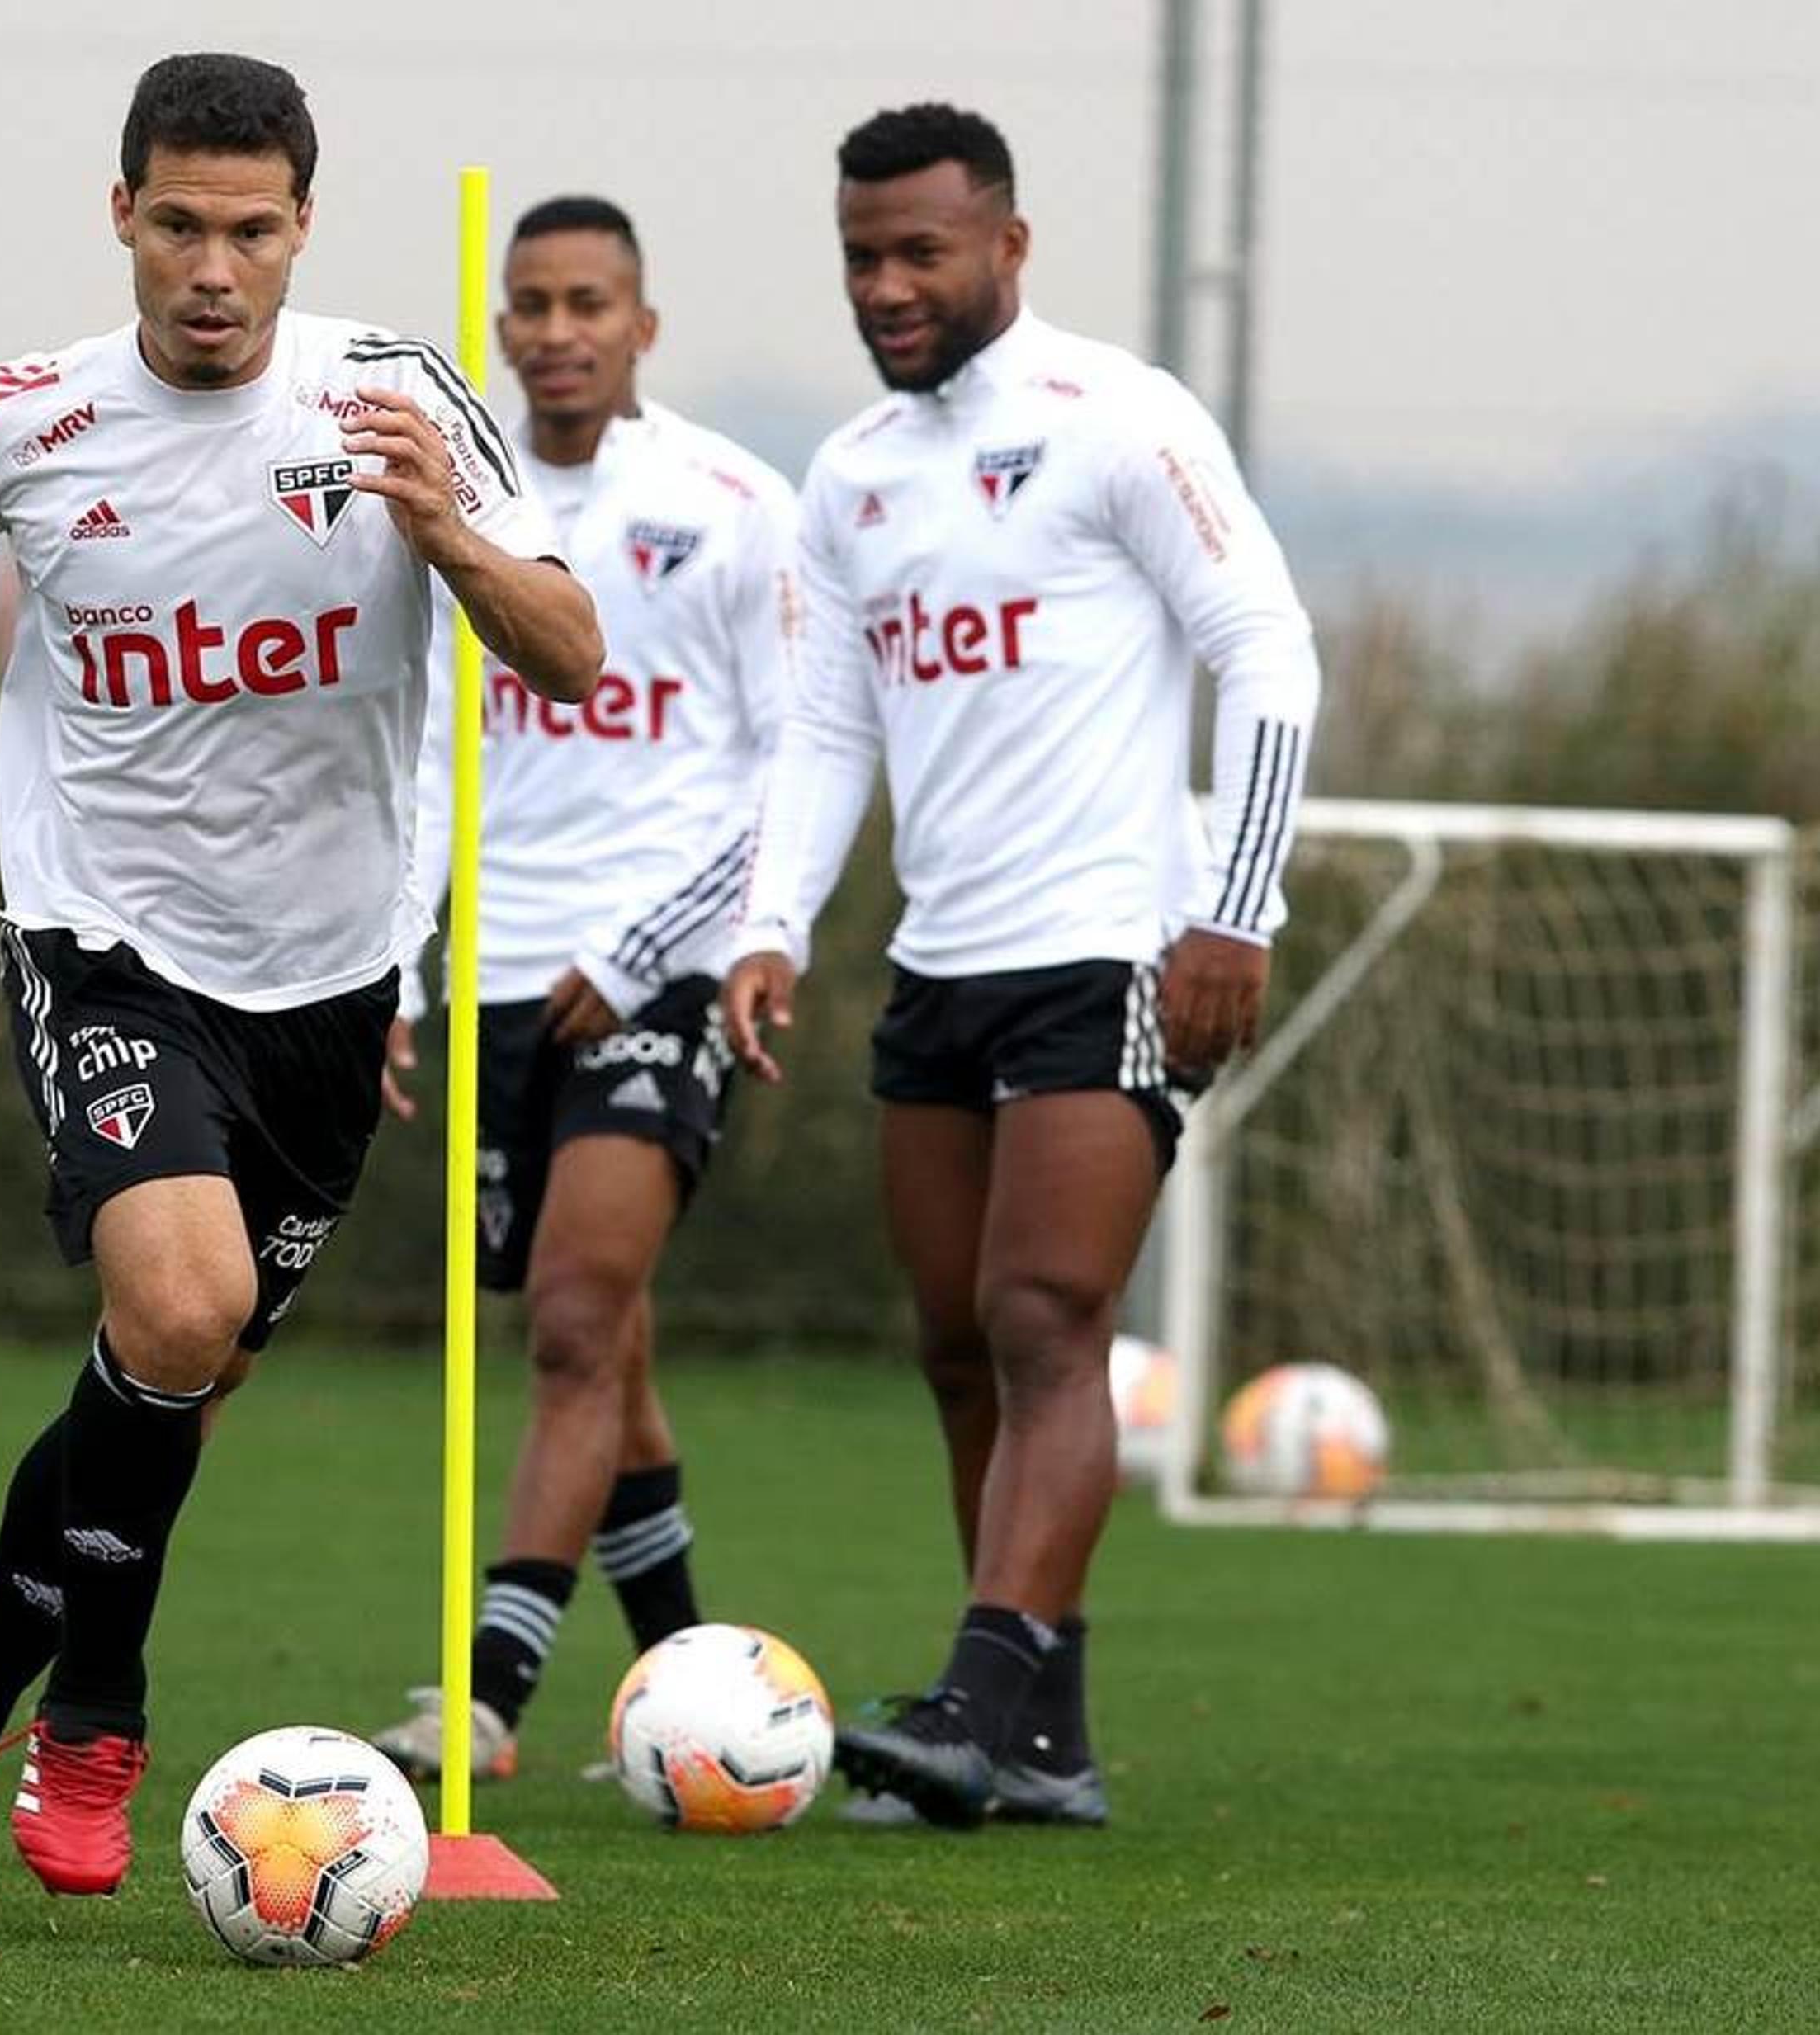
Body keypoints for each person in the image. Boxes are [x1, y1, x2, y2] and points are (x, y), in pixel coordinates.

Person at [0, 53, 598, 1908]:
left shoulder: (396, 399)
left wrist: (449, 532)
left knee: (172, 1377)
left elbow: (565, 651)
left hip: (328, 977)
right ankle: (100, 1709)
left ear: (304, 225)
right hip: (104, 938)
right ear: (121, 215)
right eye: (177, 226)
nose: (211, 268)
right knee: (178, 1305)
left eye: (250, 230)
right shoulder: (22, 420)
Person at [721, 102, 1320, 1829]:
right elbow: (829, 727)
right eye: (862, 258)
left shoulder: (1115, 420)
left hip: (1114, 944)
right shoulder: (851, 476)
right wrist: (774, 922)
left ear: (1008, 246)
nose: (889, 286)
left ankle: (977, 1702)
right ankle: (1045, 1743)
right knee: (957, 1348)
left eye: (922, 251)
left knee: (1049, 1318)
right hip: (943, 967)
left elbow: (1267, 658)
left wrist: (1239, 911)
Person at [365, 196, 797, 1781]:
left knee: (566, 1325)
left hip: (660, 980)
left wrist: (645, 950)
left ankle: (483, 1698)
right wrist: (390, 969)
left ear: (641, 324)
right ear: (503, 322)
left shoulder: (736, 502)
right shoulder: (442, 503)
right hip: (490, 987)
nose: (558, 329)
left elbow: (790, 767)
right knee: (606, 1346)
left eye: (589, 302)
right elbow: (416, 761)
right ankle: (695, 1689)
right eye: (531, 303)